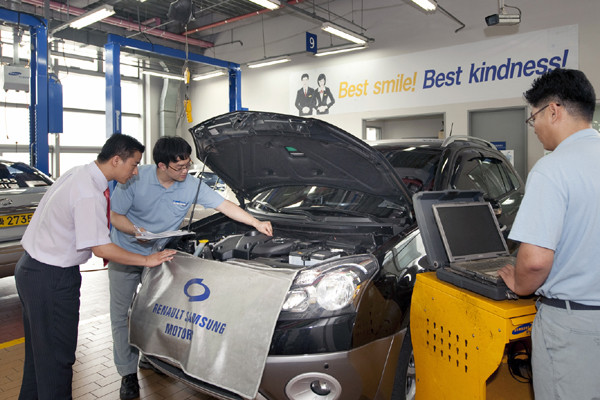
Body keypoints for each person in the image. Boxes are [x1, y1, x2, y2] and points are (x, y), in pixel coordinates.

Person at [108, 136, 273, 400]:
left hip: (159, 254)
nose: (186, 171)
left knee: (153, 310)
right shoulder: (135, 178)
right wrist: (136, 231)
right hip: (125, 253)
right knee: (121, 314)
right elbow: (115, 215)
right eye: (179, 167)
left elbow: (224, 205)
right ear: (162, 165)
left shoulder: (191, 185)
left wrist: (256, 222)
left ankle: (148, 356)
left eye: (188, 165)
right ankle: (127, 374)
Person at [14, 134, 176, 400]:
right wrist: (148, 259)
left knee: (39, 358)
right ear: (116, 160)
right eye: (134, 164)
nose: (136, 171)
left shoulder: (77, 173)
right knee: (57, 361)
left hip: (31, 269)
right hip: (51, 278)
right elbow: (101, 248)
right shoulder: (89, 193)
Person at [498, 68, 600, 399]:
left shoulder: (552, 168)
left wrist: (519, 284)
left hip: (573, 328)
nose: (536, 129)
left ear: (553, 111)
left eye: (534, 119)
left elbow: (536, 261)